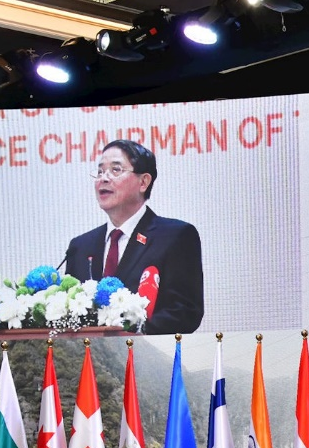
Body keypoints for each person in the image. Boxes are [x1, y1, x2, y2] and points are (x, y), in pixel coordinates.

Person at [63, 140, 204, 335]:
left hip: (145, 351)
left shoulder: (175, 237)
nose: (104, 178)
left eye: (116, 170)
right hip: (89, 354)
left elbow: (185, 312)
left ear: (143, 182)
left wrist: (130, 331)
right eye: (100, 171)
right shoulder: (80, 247)